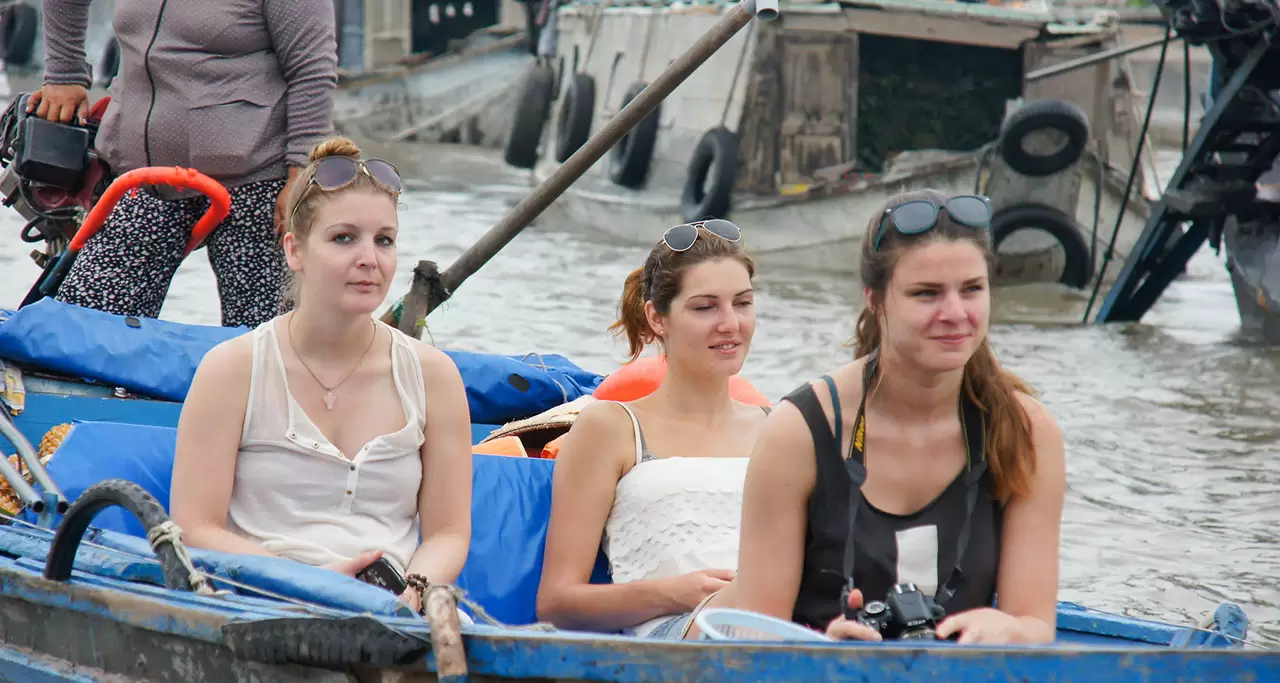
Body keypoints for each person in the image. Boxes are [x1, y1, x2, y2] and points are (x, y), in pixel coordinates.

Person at [706, 189, 1066, 644]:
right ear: (875, 300)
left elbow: (1035, 624)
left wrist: (1009, 629)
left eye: (972, 289)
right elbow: (754, 635)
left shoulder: (1029, 432)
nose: (955, 313)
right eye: (926, 294)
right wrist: (822, 651)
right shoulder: (800, 430)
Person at [169, 137, 473, 615]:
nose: (369, 258)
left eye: (384, 240)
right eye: (343, 238)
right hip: (258, 603)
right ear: (295, 250)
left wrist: (413, 592)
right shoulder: (232, 369)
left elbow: (448, 533)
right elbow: (195, 527)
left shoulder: (434, 377)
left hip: (394, 612)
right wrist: (306, 582)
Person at [31, 0, 338, 328]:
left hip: (256, 179)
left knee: (266, 340)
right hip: (142, 177)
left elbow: (313, 69)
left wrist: (301, 172)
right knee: (84, 326)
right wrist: (65, 73)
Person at [535, 220, 768, 639]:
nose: (731, 323)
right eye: (705, 307)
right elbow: (557, 603)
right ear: (657, 318)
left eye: (743, 303)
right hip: (675, 635)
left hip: (776, 621)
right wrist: (674, 593)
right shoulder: (611, 428)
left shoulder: (775, 428)